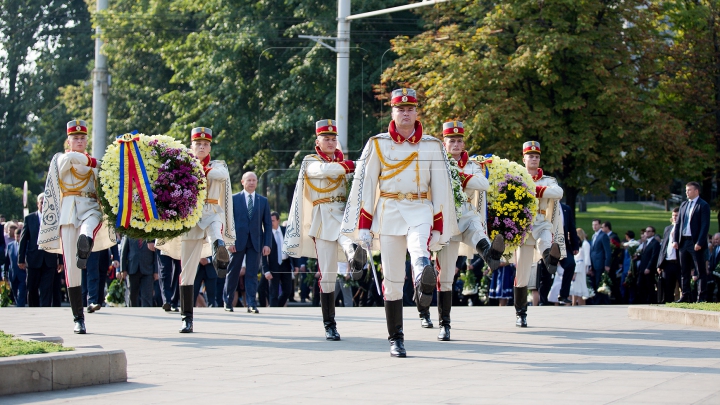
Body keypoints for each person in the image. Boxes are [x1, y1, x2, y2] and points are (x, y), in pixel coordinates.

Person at [341, 88, 459, 357]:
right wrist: (364, 226)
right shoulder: (378, 144)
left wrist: (440, 227)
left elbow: (440, 187)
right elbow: (367, 185)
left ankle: (422, 275)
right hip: (389, 210)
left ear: (416, 112)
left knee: (420, 247)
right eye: (400, 109)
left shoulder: (431, 145)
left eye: (410, 109)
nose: (406, 113)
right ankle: (396, 337)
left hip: (420, 207)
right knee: (392, 279)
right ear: (392, 112)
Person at [283, 119, 367, 339]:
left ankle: (352, 253)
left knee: (343, 230)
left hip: (342, 214)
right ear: (317, 141)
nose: (330, 142)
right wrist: (353, 165)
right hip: (322, 220)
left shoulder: (343, 163)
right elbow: (323, 171)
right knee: (328, 276)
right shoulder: (310, 161)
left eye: (333, 139)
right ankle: (329, 323)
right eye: (326, 138)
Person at [37, 120, 115, 334]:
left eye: (82, 138)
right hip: (69, 211)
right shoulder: (62, 158)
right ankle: (78, 318)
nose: (79, 141)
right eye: (75, 138)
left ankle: (86, 241)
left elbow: (107, 175)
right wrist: (93, 161)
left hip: (90, 206)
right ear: (68, 140)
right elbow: (68, 160)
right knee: (72, 270)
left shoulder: (91, 162)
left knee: (91, 223)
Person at [430, 120, 504, 341]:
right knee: (445, 277)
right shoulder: (437, 162)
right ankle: (445, 324)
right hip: (446, 220)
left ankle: (491, 254)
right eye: (451, 140)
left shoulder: (471, 164)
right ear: (444, 143)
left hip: (467, 214)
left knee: (477, 230)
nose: (456, 144)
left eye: (459, 141)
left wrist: (461, 177)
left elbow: (484, 184)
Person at [161, 127, 235, 333]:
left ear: (210, 146)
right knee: (187, 273)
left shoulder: (216, 166)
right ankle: (187, 318)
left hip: (211, 211)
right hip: (190, 218)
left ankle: (218, 249)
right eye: (198, 144)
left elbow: (222, 176)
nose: (202, 147)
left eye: (205, 144)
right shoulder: (181, 166)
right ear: (191, 146)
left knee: (215, 229)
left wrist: (201, 169)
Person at [514, 141, 564, 326]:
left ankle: (550, 260)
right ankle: (521, 313)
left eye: (536, 156)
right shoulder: (517, 177)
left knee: (545, 241)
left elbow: (558, 192)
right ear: (524, 158)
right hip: (523, 227)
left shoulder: (548, 180)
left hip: (542, 222)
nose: (534, 159)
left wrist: (535, 190)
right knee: (522, 273)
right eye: (530, 156)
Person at [224, 171, 271, 314]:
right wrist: (229, 241)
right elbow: (228, 222)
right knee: (233, 272)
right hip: (237, 242)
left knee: (252, 273)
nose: (251, 183)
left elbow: (267, 224)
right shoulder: (233, 199)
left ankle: (251, 303)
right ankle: (228, 301)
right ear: (242, 182)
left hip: (256, 242)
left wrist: (267, 244)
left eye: (254, 180)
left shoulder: (262, 201)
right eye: (249, 180)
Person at [19, 194, 63, 308]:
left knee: (46, 289)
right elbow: (23, 240)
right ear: (38, 203)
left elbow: (59, 240)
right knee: (32, 288)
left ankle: (45, 311)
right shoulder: (29, 219)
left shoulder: (55, 219)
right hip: (33, 259)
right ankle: (33, 310)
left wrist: (61, 260)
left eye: (46, 202)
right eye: (42, 202)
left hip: (49, 260)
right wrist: (21, 259)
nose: (44, 204)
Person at [673, 182, 711, 302]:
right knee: (684, 271)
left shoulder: (703, 205)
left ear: (696, 191)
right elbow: (678, 224)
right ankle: (685, 295)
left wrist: (699, 242)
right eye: (686, 190)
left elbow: (705, 225)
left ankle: (702, 297)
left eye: (689, 190)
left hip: (695, 243)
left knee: (700, 271)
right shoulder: (684, 205)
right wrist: (675, 240)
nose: (686, 192)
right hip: (683, 242)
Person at [264, 211, 293, 307]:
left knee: (287, 290)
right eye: (269, 221)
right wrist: (266, 270)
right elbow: (263, 254)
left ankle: (276, 307)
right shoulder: (266, 235)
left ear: (278, 221)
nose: (271, 223)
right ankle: (274, 309)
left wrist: (296, 265)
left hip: (286, 264)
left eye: (273, 220)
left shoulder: (286, 231)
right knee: (273, 293)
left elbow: (293, 247)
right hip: (273, 265)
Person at [120, 236, 157, 307]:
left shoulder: (151, 234)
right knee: (132, 295)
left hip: (148, 270)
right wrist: (123, 269)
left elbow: (156, 254)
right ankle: (133, 313)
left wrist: (156, 271)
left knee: (147, 296)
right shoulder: (129, 233)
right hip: (133, 269)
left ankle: (147, 314)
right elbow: (123, 252)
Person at [557, 203, 580, 305]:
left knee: (570, 264)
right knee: (546, 271)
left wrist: (575, 246)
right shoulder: (544, 206)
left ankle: (564, 295)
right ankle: (543, 300)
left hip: (563, 243)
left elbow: (571, 227)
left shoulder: (566, 209)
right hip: (548, 243)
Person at [657, 209, 680, 304]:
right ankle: (668, 304)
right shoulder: (668, 229)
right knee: (667, 287)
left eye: (677, 215)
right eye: (673, 215)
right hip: (668, 263)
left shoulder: (684, 228)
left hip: (679, 262)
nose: (675, 217)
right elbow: (663, 247)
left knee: (683, 286)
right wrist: (659, 264)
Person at [589, 219, 612, 305]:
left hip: (600, 263)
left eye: (596, 225)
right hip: (594, 263)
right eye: (593, 225)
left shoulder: (603, 236)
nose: (594, 226)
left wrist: (607, 264)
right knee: (596, 283)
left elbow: (607, 251)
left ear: (599, 226)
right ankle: (600, 300)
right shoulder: (593, 236)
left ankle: (600, 301)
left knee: (600, 282)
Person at [636, 226, 660, 304]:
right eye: (646, 231)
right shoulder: (645, 242)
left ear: (653, 233)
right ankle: (644, 301)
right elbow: (644, 254)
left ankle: (651, 301)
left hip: (649, 269)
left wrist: (649, 268)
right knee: (640, 285)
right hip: (642, 268)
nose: (646, 232)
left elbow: (654, 256)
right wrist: (637, 257)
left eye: (649, 231)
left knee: (649, 286)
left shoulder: (655, 243)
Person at [5, 228, 26, 306]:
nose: (18, 238)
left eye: (19, 236)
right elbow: (7, 261)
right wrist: (5, 274)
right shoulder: (10, 246)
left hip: (23, 275)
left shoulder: (26, 246)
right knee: (15, 294)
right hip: (13, 275)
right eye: (17, 236)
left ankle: (20, 309)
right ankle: (19, 306)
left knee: (21, 294)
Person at [571, 228, 591, 305]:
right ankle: (576, 302)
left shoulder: (585, 244)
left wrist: (587, 268)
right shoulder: (581, 244)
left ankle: (576, 303)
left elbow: (587, 257)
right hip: (578, 265)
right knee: (577, 286)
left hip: (581, 267)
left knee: (579, 285)